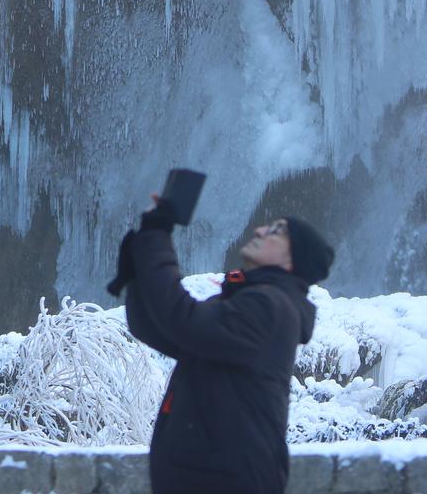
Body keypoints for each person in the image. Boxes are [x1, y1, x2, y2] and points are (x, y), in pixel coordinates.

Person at [119, 204, 335, 494]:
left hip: (226, 479)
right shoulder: (246, 303)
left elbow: (181, 319)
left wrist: (157, 237)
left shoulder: (269, 308)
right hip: (210, 477)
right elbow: (154, 327)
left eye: (276, 231)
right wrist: (138, 267)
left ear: (292, 260)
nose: (259, 230)